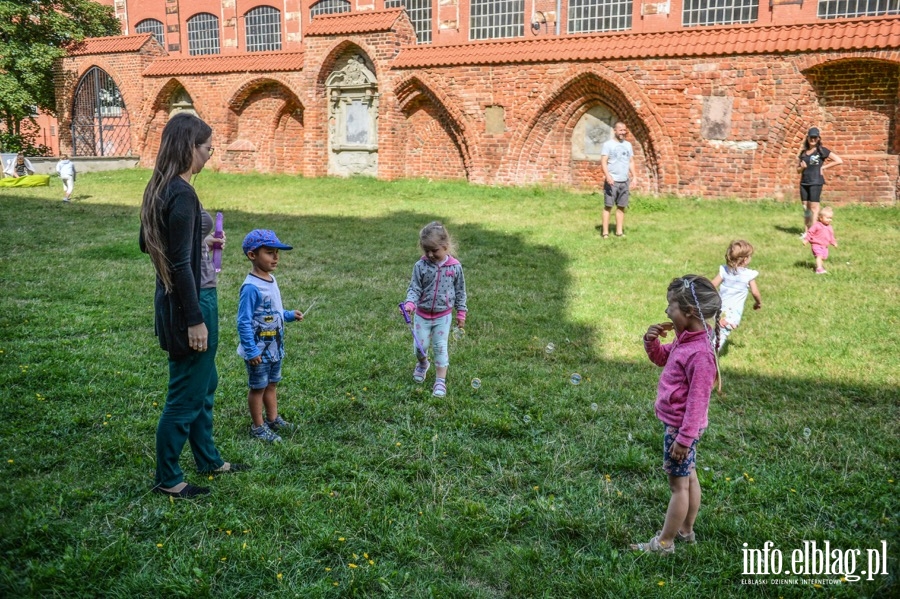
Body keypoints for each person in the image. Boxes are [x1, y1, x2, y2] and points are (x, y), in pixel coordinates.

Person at [139, 112, 247, 499]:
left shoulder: (159, 187)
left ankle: (209, 459)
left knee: (205, 382)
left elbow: (152, 245)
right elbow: (179, 264)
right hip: (191, 301)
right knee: (185, 392)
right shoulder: (182, 193)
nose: (209, 155)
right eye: (207, 148)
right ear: (189, 147)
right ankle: (168, 478)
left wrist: (201, 243)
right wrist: (195, 320)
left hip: (173, 299)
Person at [631, 275, 721, 555]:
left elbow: (697, 403)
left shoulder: (700, 354)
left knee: (678, 486)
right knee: (690, 477)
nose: (666, 311)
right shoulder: (690, 339)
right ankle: (686, 530)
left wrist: (683, 439)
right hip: (684, 429)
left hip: (682, 429)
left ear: (689, 312)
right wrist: (651, 341)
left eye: (671, 306)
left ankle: (664, 543)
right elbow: (661, 358)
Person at [237, 229, 304, 443]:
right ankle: (258, 427)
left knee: (272, 384)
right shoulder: (251, 288)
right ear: (252, 255)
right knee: (258, 387)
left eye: (277, 252)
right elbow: (244, 321)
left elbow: (272, 311)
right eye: (269, 252)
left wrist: (288, 315)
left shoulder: (271, 280)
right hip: (258, 350)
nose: (275, 257)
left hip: (274, 346)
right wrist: (251, 349)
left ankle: (273, 419)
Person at [403, 221, 467, 397]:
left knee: (440, 347)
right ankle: (423, 363)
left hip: (443, 316)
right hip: (422, 314)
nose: (430, 254)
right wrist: (410, 304)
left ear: (445, 246)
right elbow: (415, 288)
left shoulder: (455, 267)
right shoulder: (420, 266)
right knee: (419, 346)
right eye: (426, 251)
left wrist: (461, 312)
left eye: (434, 250)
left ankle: (440, 381)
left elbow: (461, 292)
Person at [710, 240, 762, 348]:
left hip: (717, 308)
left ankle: (702, 350)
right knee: (721, 336)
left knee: (714, 332)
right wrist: (758, 303)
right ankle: (709, 358)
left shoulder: (724, 270)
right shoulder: (748, 275)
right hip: (731, 314)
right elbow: (755, 292)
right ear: (745, 259)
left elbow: (712, 285)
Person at [798, 127, 842, 233]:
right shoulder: (803, 153)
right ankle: (806, 231)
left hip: (816, 182)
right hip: (804, 183)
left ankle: (813, 232)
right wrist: (802, 168)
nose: (813, 139)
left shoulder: (821, 151)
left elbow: (838, 160)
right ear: (807, 138)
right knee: (806, 208)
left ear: (818, 138)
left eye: (815, 137)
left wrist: (823, 167)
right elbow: (798, 170)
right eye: (811, 137)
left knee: (814, 208)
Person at [600, 121, 637, 239]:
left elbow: (631, 162)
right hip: (612, 181)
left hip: (624, 180)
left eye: (624, 130)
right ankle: (605, 232)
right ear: (615, 130)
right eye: (620, 130)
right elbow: (603, 162)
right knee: (608, 206)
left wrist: (634, 176)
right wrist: (607, 175)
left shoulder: (628, 145)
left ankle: (619, 232)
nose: (623, 132)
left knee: (621, 206)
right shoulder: (608, 145)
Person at [803, 206, 838, 274]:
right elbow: (810, 232)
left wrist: (834, 242)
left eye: (830, 218)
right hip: (816, 244)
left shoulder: (830, 227)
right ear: (821, 218)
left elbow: (831, 236)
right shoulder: (817, 225)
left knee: (823, 257)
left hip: (825, 246)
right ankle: (819, 269)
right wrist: (806, 240)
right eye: (827, 218)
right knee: (819, 255)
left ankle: (819, 266)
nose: (829, 220)